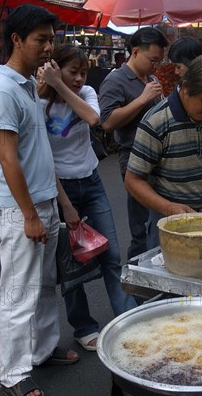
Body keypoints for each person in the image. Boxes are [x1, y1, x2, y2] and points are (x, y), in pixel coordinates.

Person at [0, 4, 79, 396]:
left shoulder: (27, 85)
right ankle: (13, 373)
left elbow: (38, 153)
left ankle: (42, 350)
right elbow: (8, 160)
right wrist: (28, 216)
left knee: (42, 289)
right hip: (19, 210)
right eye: (40, 40)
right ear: (17, 40)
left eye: (51, 39)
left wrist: (60, 205)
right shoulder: (4, 89)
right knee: (18, 294)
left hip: (42, 206)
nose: (48, 47)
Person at [37, 43, 136, 352]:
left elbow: (94, 119)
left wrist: (59, 85)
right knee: (72, 264)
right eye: (72, 72)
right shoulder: (38, 103)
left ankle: (127, 318)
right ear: (56, 68)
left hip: (92, 183)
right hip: (60, 187)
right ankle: (83, 326)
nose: (79, 79)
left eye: (83, 73)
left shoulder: (87, 93)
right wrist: (64, 204)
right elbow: (42, 158)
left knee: (111, 253)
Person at [124, 52, 202, 224]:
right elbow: (132, 180)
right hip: (168, 221)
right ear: (186, 88)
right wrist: (168, 207)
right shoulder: (157, 121)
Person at [99, 27, 168, 260]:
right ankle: (136, 276)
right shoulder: (115, 80)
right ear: (136, 52)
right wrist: (142, 100)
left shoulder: (152, 78)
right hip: (133, 156)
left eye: (159, 61)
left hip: (159, 156)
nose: (156, 66)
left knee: (158, 220)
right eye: (153, 60)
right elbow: (107, 122)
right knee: (141, 223)